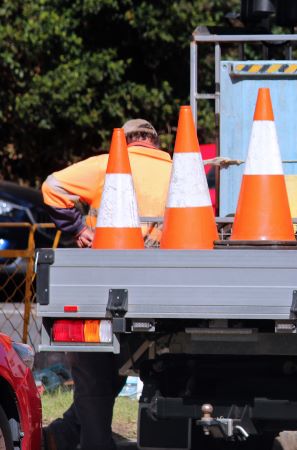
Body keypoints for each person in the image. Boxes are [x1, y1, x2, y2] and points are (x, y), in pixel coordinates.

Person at [42, 119, 172, 450]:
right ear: (154, 143)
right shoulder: (180, 170)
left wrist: (77, 230)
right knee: (112, 373)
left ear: (124, 142)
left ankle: (88, 440)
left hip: (107, 282)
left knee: (94, 373)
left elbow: (52, 187)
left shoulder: (108, 164)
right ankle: (67, 432)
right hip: (167, 286)